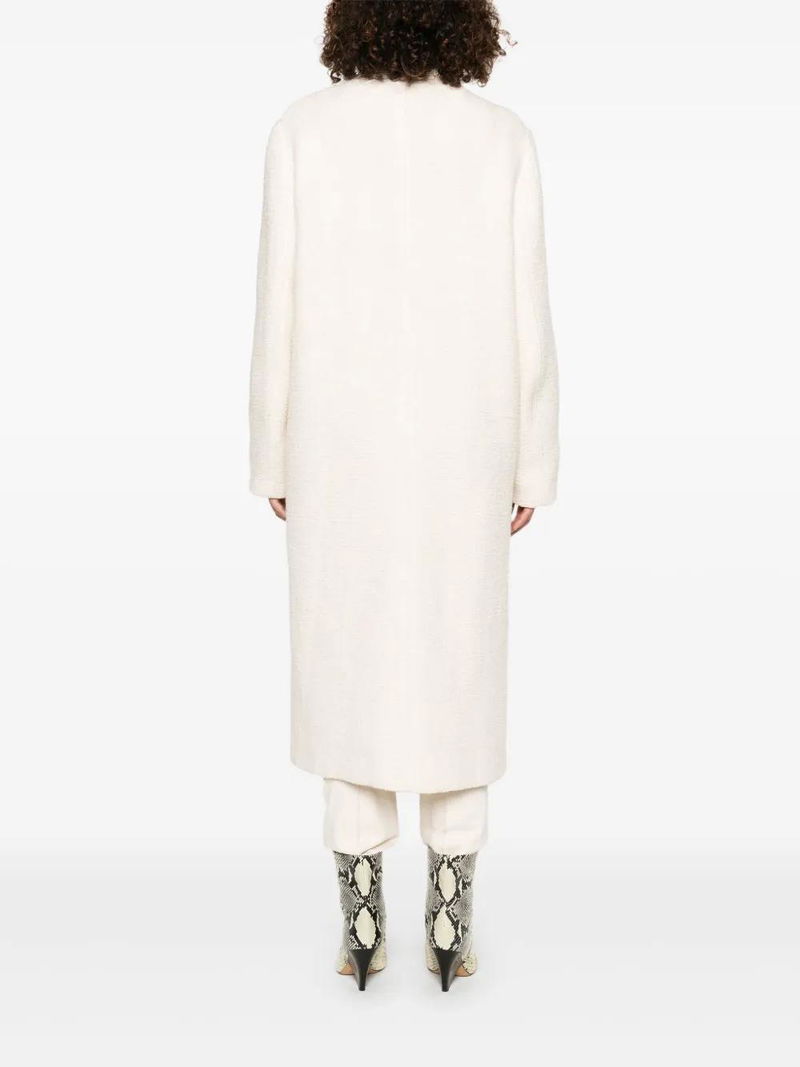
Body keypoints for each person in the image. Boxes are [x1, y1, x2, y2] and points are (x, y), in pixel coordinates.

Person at [249, 0, 558, 991]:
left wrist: (272, 455)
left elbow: (276, 302)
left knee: (348, 660)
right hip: (464, 446)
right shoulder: (501, 139)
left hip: (336, 445)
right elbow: (528, 314)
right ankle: (450, 922)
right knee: (458, 661)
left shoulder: (302, 131)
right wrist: (531, 462)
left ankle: (360, 921)